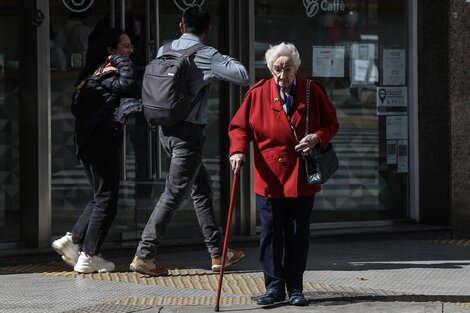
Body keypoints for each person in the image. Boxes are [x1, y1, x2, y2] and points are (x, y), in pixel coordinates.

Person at [130, 5, 251, 276]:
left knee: (202, 187)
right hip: (188, 136)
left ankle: (219, 254)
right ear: (207, 30)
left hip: (165, 129)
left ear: (181, 26)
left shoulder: (164, 50)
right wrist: (218, 60)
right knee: (175, 193)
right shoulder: (207, 54)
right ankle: (144, 254)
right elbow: (243, 75)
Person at [228, 42, 339, 306]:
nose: (282, 75)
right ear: (269, 69)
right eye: (277, 69)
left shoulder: (312, 91)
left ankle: (296, 288)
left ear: (296, 68)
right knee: (270, 233)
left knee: (298, 233)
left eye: (288, 69)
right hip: (269, 177)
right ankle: (274, 287)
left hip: (301, 176)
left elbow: (331, 123)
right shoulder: (257, 94)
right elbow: (239, 128)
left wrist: (317, 137)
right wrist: (238, 151)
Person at [52, 28, 139, 273]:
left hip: (88, 141)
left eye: (130, 46)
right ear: (110, 50)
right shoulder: (111, 73)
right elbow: (129, 84)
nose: (130, 51)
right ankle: (89, 255)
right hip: (102, 141)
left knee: (99, 195)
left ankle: (73, 240)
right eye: (125, 46)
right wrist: (121, 61)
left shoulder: (92, 74)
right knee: (106, 199)